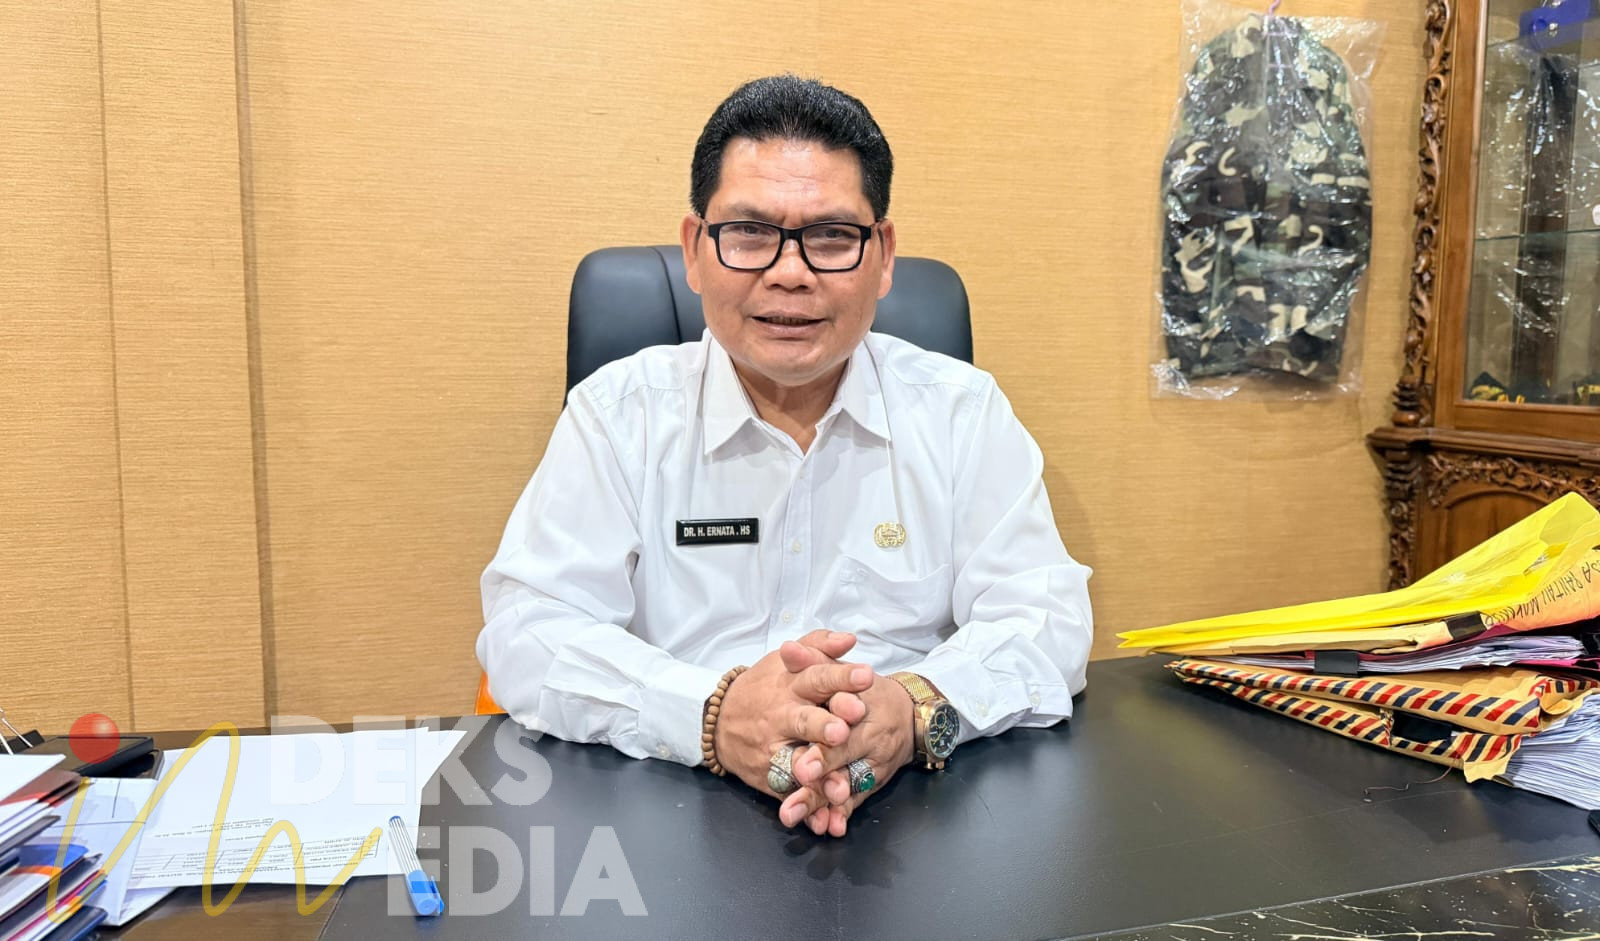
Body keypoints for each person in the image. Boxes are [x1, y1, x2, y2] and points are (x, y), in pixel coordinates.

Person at [477, 74, 1093, 838]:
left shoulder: (961, 412)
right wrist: (711, 714)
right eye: (749, 233)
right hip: (667, 810)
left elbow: (1047, 617)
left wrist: (912, 708)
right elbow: (529, 629)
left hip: (915, 812)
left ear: (884, 255)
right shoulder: (617, 415)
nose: (790, 271)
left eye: (831, 236)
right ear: (695, 250)